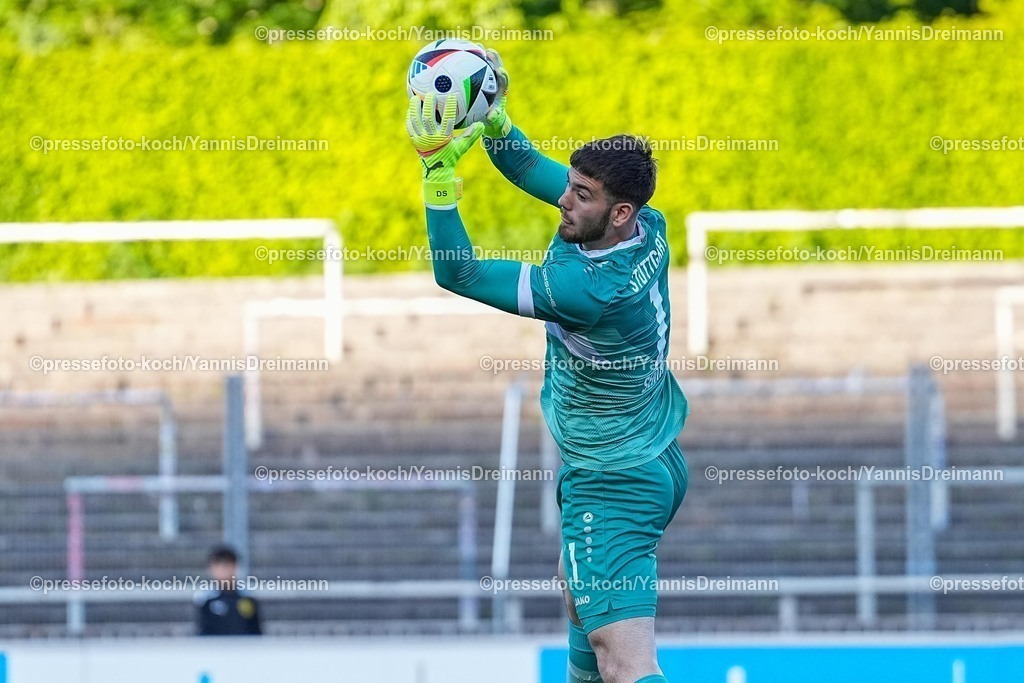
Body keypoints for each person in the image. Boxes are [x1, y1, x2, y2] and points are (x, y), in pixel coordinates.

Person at [405, 48, 689, 683]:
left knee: (624, 665)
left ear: (618, 213)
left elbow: (460, 272)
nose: (563, 200)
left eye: (580, 195)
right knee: (579, 608)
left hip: (612, 479)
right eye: (571, 185)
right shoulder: (650, 224)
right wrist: (496, 124)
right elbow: (534, 167)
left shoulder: (585, 290)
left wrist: (438, 178)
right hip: (647, 453)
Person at [194, 545, 262, 636]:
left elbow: (255, 631)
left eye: (227, 565)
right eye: (218, 565)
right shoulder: (205, 599)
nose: (223, 570)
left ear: (235, 567)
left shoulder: (247, 597)